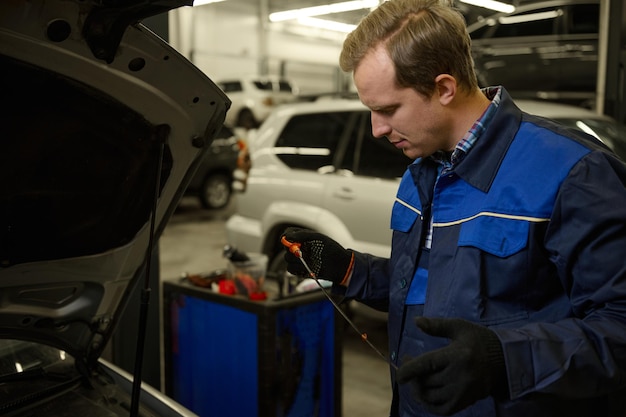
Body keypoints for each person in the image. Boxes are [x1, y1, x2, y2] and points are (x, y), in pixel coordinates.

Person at [281, 0, 626, 416]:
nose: (376, 129)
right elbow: (433, 289)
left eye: (388, 109)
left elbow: (619, 324)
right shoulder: (421, 170)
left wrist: (506, 358)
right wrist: (350, 269)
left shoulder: (573, 174)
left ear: (444, 87)